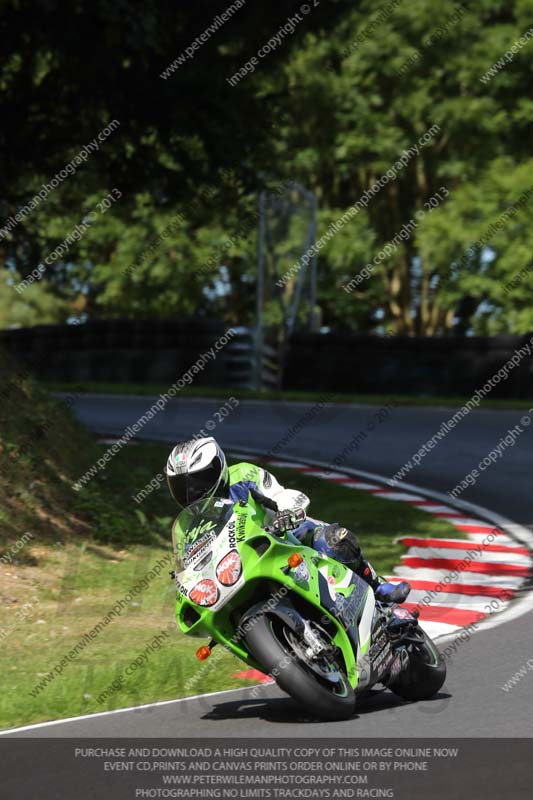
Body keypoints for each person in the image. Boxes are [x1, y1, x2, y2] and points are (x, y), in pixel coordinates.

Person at [165, 436, 410, 604]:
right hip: (244, 568)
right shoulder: (190, 525)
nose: (192, 493)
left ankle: (377, 587)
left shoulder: (243, 475)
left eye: (198, 482)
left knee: (331, 540)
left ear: (218, 467)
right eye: (182, 486)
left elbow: (279, 494)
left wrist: (286, 513)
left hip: (285, 537)